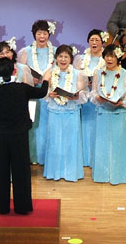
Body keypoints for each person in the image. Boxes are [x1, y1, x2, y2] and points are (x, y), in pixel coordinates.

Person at [0, 57, 49, 215]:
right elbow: (42, 92)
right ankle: (22, 206)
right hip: (19, 134)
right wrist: (46, 80)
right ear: (14, 70)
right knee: (21, 170)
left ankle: (1, 205)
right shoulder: (22, 88)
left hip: (0, 134)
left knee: (0, 170)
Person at [0, 39, 33, 179]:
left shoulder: (23, 68)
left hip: (18, 116)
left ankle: (17, 176)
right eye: (1, 53)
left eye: (7, 52)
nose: (5, 55)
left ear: (13, 53)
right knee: (0, 150)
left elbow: (28, 88)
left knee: (19, 150)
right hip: (1, 117)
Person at [90, 44, 126, 184]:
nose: (109, 59)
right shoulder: (98, 73)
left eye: (113, 56)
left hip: (119, 113)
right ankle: (102, 175)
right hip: (103, 112)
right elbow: (93, 93)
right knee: (102, 144)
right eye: (107, 56)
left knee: (118, 144)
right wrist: (97, 98)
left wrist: (122, 103)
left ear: (118, 57)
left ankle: (119, 175)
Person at [41, 45, 88, 182]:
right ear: (56, 58)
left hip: (71, 112)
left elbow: (84, 95)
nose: (63, 59)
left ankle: (71, 172)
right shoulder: (49, 72)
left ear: (70, 59)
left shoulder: (78, 74)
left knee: (71, 141)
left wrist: (76, 97)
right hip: (55, 111)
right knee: (54, 141)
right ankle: (54, 172)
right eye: (60, 56)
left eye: (66, 57)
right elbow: (43, 93)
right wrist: (49, 94)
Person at [17, 20, 57, 165]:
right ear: (34, 34)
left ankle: (47, 157)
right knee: (33, 125)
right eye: (39, 33)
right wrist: (30, 79)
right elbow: (20, 72)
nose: (42, 36)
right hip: (32, 94)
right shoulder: (25, 51)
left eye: (45, 33)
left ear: (49, 34)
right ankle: (32, 156)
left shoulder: (56, 51)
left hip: (50, 94)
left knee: (48, 125)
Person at [72, 29, 107, 168]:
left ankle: (96, 159)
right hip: (84, 99)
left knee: (98, 128)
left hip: (99, 99)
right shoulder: (80, 59)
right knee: (85, 127)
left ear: (102, 42)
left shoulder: (107, 59)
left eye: (97, 40)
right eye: (91, 40)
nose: (94, 42)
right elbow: (74, 76)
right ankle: (84, 158)